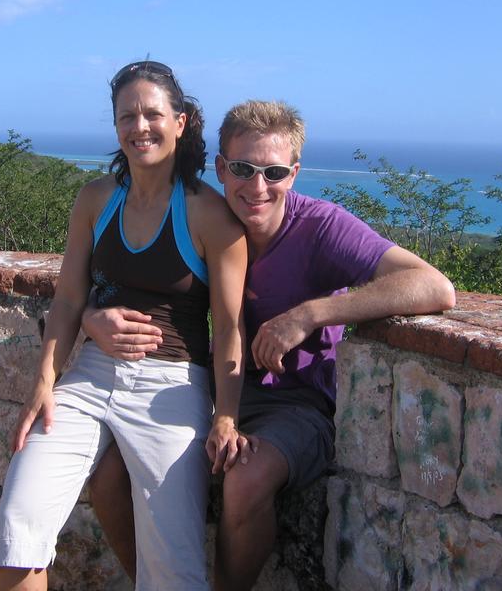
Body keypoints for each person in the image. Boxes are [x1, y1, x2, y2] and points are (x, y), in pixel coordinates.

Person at [83, 100, 456, 590]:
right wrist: (92, 315)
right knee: (109, 475)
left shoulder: (320, 227)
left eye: (273, 172)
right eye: (242, 169)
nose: (257, 187)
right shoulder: (202, 222)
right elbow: (123, 285)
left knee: (245, 478)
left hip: (297, 403)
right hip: (215, 389)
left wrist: (310, 314)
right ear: (220, 168)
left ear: (294, 174)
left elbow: (434, 287)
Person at [0, 61, 248, 591]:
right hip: (88, 377)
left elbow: (228, 329)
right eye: (126, 116)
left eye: (153, 113)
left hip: (171, 386)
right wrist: (44, 381)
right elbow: (67, 300)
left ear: (181, 121)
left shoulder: (209, 215)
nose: (140, 126)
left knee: (173, 569)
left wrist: (226, 417)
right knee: (19, 526)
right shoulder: (96, 200)